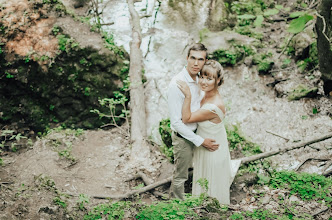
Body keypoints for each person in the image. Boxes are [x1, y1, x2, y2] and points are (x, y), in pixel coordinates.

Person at [177, 60, 241, 204]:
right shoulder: (205, 93)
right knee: (203, 180)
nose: (204, 82)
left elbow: (187, 118)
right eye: (202, 77)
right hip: (206, 143)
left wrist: (187, 95)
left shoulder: (213, 106)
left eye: (209, 78)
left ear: (218, 80)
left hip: (212, 148)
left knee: (211, 185)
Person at [167, 43, 219, 200]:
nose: (196, 63)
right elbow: (176, 122)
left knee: (202, 167)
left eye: (200, 59)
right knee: (180, 174)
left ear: (205, 61)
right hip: (183, 137)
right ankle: (176, 204)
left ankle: (199, 195)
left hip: (199, 130)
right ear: (186, 58)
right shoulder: (176, 84)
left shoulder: (201, 79)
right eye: (193, 58)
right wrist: (200, 141)